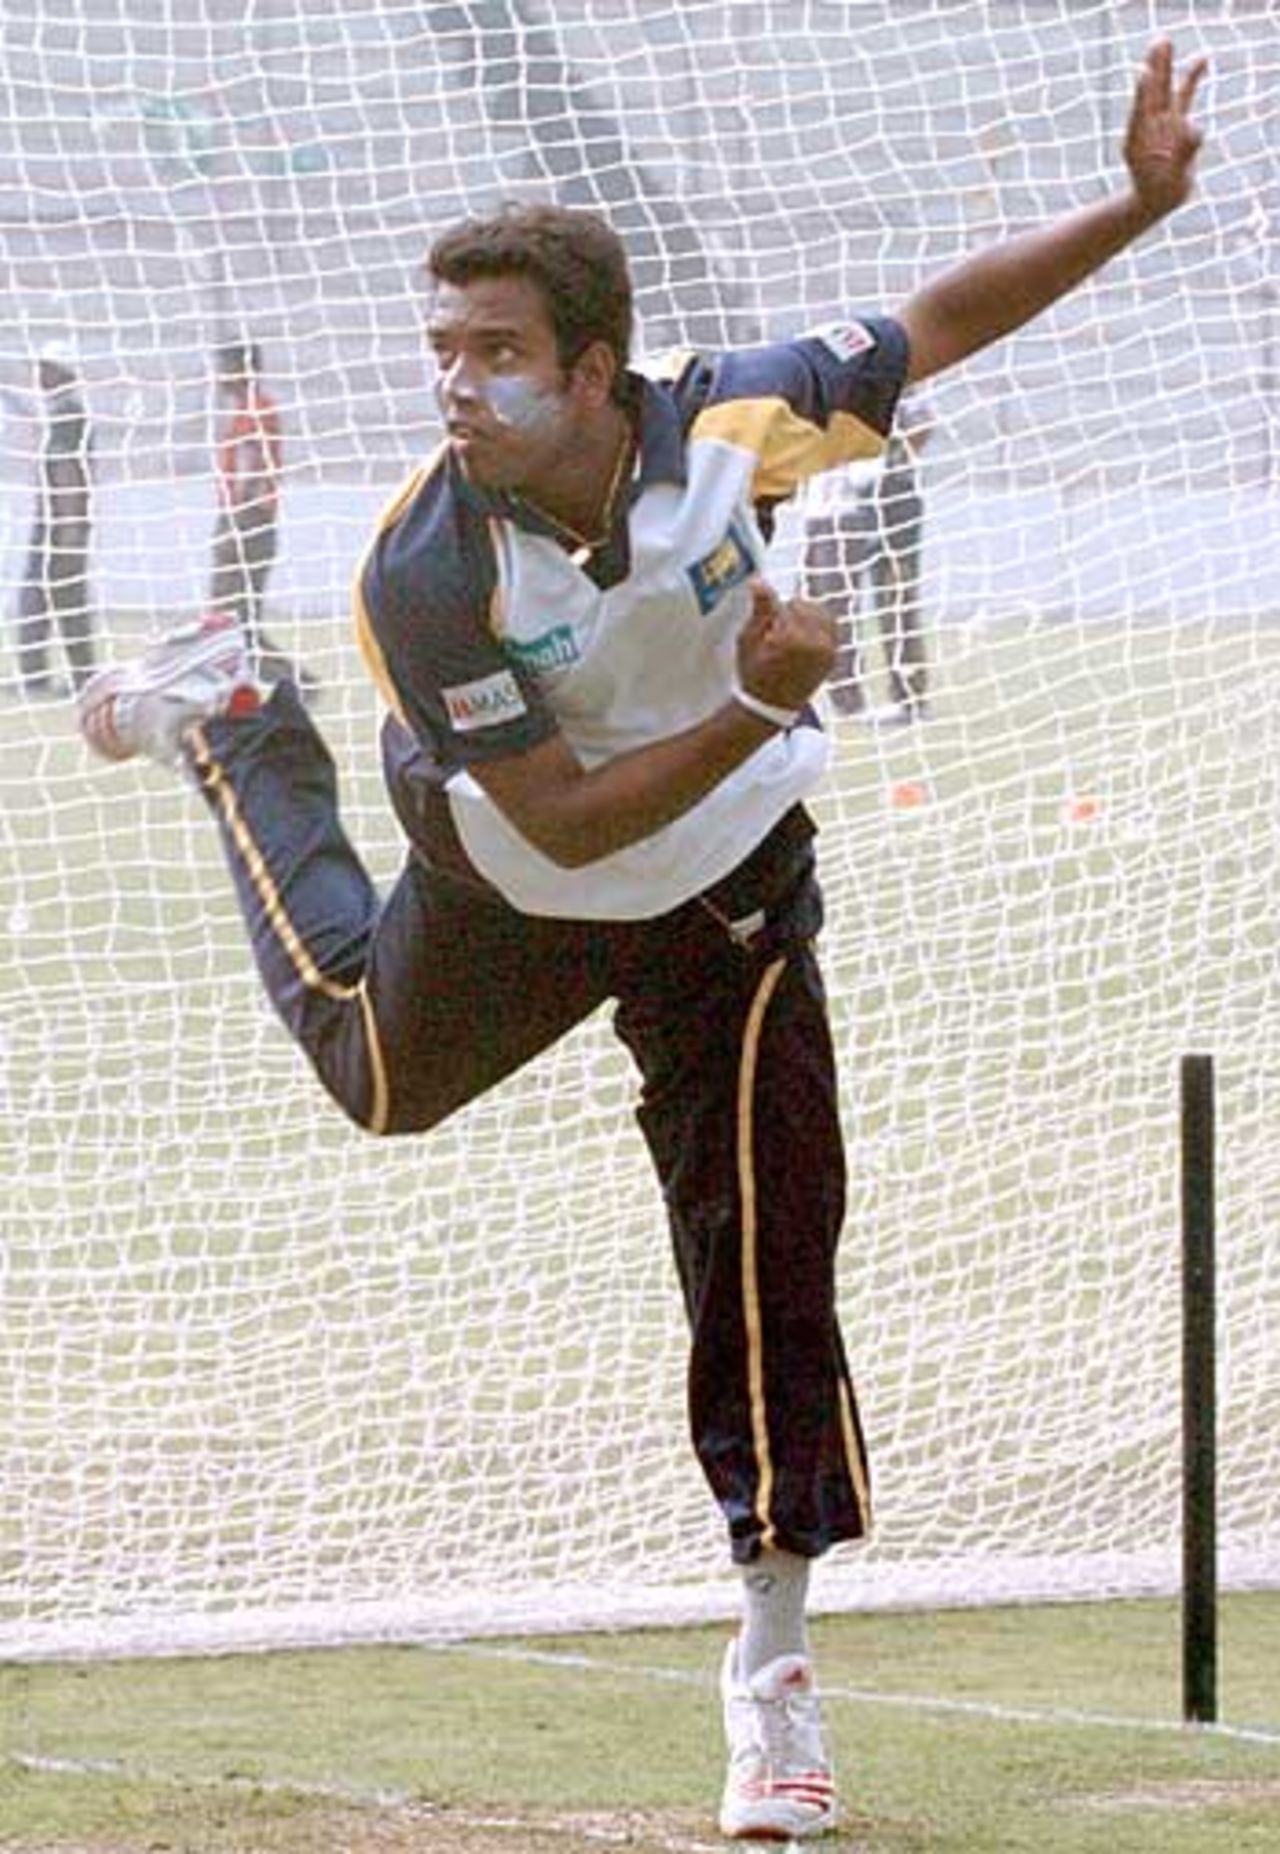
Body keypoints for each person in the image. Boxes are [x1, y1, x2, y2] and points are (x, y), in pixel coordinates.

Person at [77, 41, 1204, 1841]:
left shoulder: (736, 424)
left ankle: (773, 1664)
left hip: (730, 888)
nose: (456, 386)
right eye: (443, 350)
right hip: (518, 879)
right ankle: (238, 719)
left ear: (596, 370)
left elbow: (936, 324)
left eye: (497, 353)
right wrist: (758, 700)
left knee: (767, 1235)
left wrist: (1137, 207)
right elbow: (566, 820)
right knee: (377, 1081)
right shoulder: (423, 570)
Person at [803, 388, 935, 720]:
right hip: (830, 505)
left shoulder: (898, 380)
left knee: (896, 595)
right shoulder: (814, 383)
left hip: (886, 495)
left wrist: (892, 458)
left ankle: (909, 696)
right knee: (833, 603)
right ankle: (847, 700)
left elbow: (922, 421)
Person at [209, 339, 316, 694]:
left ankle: (295, 684)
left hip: (247, 521)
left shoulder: (255, 410)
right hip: (248, 519)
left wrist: (236, 518)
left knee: (228, 623)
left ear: (243, 369)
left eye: (225, 368)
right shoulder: (250, 409)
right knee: (236, 625)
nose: (219, 376)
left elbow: (252, 464)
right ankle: (293, 683)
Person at [13, 347, 96, 698]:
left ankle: (70, 677)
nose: (40, 375)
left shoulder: (67, 417)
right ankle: (56, 675)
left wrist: (70, 526)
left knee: (58, 599)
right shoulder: (65, 413)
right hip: (59, 521)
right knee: (49, 599)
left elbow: (68, 473)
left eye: (47, 368)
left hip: (60, 524)